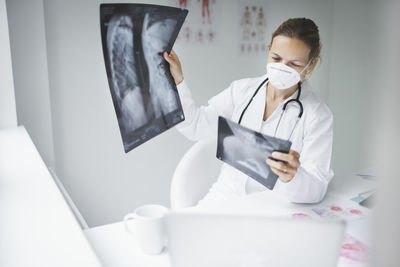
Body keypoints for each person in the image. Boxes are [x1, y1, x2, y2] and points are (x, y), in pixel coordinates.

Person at [163, 18, 333, 205]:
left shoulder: (317, 116)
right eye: (276, 58)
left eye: (294, 64)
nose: (282, 68)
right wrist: (178, 81)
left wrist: (292, 177)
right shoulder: (242, 90)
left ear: (311, 64)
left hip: (274, 207)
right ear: (268, 51)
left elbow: (316, 188)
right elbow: (195, 125)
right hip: (224, 197)